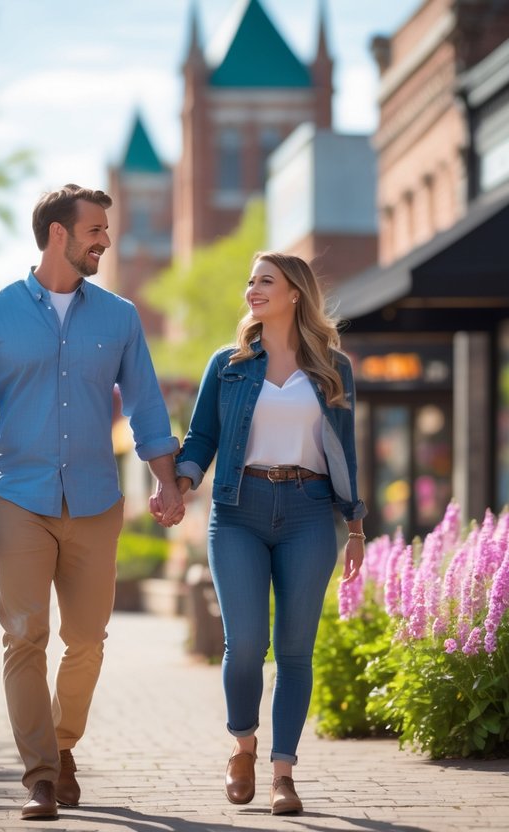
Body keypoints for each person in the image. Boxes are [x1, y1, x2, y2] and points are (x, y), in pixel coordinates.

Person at [0, 184, 184, 821]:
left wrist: (165, 479)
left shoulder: (120, 317)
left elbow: (146, 408)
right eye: (95, 230)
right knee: (24, 636)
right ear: (58, 233)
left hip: (97, 500)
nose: (105, 240)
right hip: (18, 497)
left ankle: (63, 743)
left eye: (105, 230)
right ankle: (41, 776)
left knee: (88, 640)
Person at [174, 251, 366, 816]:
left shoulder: (334, 367)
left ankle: (284, 772)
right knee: (245, 646)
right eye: (250, 280)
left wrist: (354, 527)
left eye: (265, 281)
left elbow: (345, 452)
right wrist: (180, 480)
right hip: (238, 509)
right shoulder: (228, 364)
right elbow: (202, 436)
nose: (252, 289)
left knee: (296, 651)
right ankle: (244, 746)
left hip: (310, 512)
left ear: (294, 294)